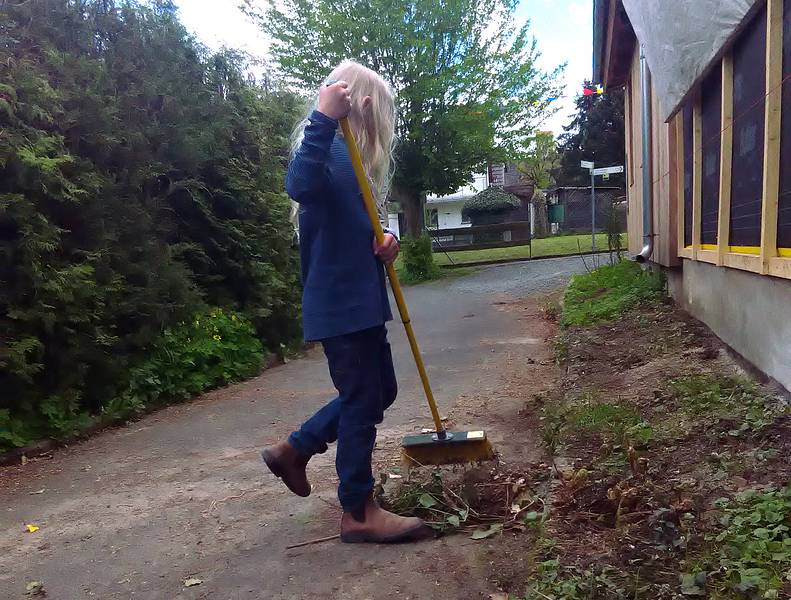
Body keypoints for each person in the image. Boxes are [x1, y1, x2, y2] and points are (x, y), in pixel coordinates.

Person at [261, 61, 429, 544]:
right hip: (342, 306)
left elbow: (353, 231)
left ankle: (295, 449)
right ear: (366, 108)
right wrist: (322, 116)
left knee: (380, 392)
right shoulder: (329, 150)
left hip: (360, 302)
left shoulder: (352, 164)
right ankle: (357, 509)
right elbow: (300, 185)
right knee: (361, 400)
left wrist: (385, 243)